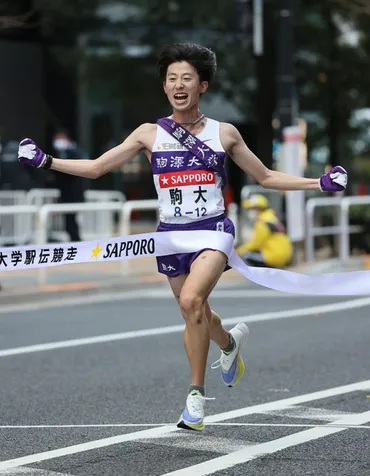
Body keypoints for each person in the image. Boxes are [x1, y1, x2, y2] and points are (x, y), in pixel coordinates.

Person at [17, 43, 348, 431]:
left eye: (186, 78)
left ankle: (195, 398)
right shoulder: (149, 134)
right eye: (171, 78)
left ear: (202, 86)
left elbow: (267, 177)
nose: (178, 84)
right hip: (170, 237)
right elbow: (96, 168)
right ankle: (228, 343)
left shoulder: (224, 134)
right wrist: (48, 161)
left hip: (212, 231)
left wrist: (319, 183)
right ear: (165, 87)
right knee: (197, 313)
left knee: (192, 300)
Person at [50, 129, 89, 242]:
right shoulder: (60, 153)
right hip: (66, 195)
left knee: (71, 224)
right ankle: (76, 244)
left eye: (59, 138)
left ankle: (78, 245)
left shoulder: (74, 152)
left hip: (74, 195)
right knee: (69, 224)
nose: (57, 141)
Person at [236, 193, 293, 268]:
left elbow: (255, 244)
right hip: (285, 256)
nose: (249, 211)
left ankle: (260, 277)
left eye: (251, 209)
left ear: (259, 209)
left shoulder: (262, 223)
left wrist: (238, 251)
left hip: (274, 257)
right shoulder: (272, 218)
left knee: (246, 255)